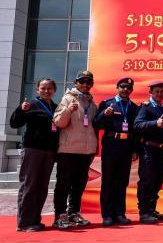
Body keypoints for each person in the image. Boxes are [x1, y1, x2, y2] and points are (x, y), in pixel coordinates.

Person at [10, 78, 59, 232]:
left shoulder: (56, 108)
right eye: (43, 88)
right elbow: (15, 123)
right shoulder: (31, 105)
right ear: (37, 90)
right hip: (33, 149)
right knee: (29, 185)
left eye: (49, 88)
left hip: (49, 151)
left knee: (42, 186)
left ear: (54, 91)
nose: (46, 91)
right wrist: (20, 110)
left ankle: (35, 220)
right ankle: (24, 223)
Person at [52, 70, 99, 229]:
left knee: (79, 185)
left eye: (88, 82)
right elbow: (58, 122)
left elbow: (94, 128)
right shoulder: (67, 98)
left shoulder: (92, 103)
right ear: (76, 83)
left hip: (85, 151)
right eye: (82, 81)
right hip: (68, 150)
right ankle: (60, 216)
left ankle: (73, 213)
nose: (85, 84)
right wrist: (68, 110)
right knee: (63, 184)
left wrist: (94, 148)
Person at [93, 77, 141, 227]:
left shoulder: (134, 107)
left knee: (122, 181)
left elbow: (136, 131)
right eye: (123, 86)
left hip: (126, 147)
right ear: (117, 87)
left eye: (129, 87)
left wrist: (135, 150)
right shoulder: (107, 104)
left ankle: (120, 214)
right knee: (108, 181)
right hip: (111, 146)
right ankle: (107, 215)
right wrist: (104, 114)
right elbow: (96, 124)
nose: (126, 89)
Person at [135, 81, 163, 224]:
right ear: (150, 92)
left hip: (161, 150)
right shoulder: (146, 107)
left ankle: (151, 209)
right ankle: (144, 212)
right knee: (147, 181)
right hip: (149, 150)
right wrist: (154, 123)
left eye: (162, 92)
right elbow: (137, 125)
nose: (160, 94)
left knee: (157, 181)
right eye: (157, 91)